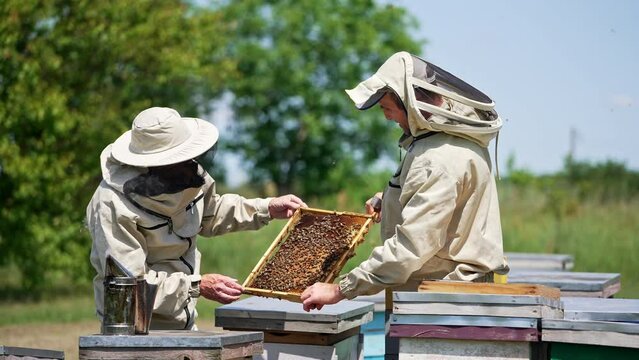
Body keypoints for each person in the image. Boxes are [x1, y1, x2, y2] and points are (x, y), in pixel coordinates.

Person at [301, 51, 509, 311]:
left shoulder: (435, 160)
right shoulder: (456, 143)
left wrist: (340, 288)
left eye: (387, 108)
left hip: (443, 302)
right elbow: (445, 206)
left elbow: (411, 246)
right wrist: (388, 199)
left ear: (411, 104)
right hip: (457, 295)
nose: (387, 117)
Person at [87, 106, 307, 329]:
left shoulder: (188, 175)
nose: (189, 164)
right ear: (152, 164)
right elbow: (129, 285)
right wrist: (197, 286)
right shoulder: (111, 203)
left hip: (184, 318)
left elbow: (211, 212)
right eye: (180, 158)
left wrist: (267, 207)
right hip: (131, 326)